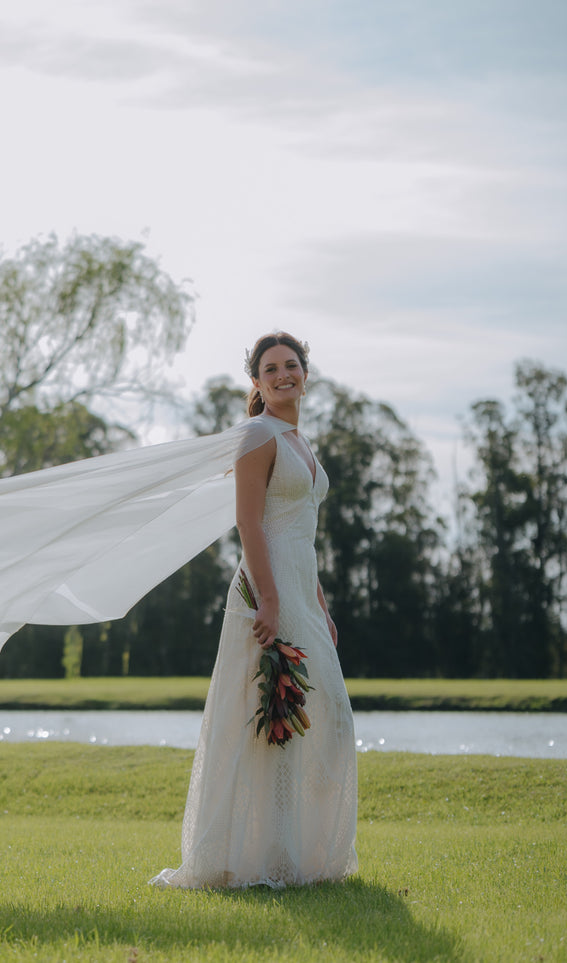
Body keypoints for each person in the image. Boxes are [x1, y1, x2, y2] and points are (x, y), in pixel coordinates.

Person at [150, 331, 358, 889]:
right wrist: (269, 599)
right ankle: (252, 860)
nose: (283, 374)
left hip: (300, 589)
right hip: (264, 593)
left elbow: (302, 534)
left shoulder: (300, 441)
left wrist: (320, 602)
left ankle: (297, 857)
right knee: (267, 728)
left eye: (292, 365)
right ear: (257, 382)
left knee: (324, 722)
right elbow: (251, 524)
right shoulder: (257, 436)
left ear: (305, 374)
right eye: (272, 368)